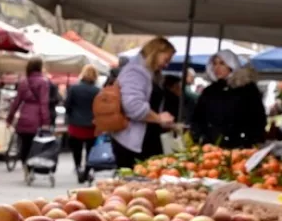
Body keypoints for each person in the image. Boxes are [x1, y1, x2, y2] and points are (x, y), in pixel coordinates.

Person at [111, 37, 176, 169]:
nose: (166, 65)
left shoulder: (147, 72)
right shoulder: (135, 72)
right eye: (166, 59)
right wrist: (159, 119)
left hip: (142, 141)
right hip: (132, 144)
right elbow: (133, 106)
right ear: (156, 52)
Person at [191, 50, 266, 149]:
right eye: (214, 63)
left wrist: (247, 141)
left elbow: (258, 119)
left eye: (222, 63)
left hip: (241, 147)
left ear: (231, 65)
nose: (217, 67)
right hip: (212, 147)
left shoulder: (247, 89)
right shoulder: (209, 91)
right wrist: (201, 138)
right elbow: (197, 118)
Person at [6, 57, 50, 180]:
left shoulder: (24, 82)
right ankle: (31, 168)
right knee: (35, 146)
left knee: (24, 145)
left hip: (24, 117)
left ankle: (26, 167)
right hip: (36, 119)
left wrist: (9, 119)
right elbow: (44, 103)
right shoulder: (43, 82)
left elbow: (16, 102)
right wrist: (46, 121)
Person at [65, 64, 100, 183]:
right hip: (92, 125)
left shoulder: (74, 88)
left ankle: (78, 167)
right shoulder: (97, 91)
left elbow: (67, 105)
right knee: (90, 150)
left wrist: (70, 116)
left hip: (76, 124)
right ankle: (87, 170)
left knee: (77, 149)